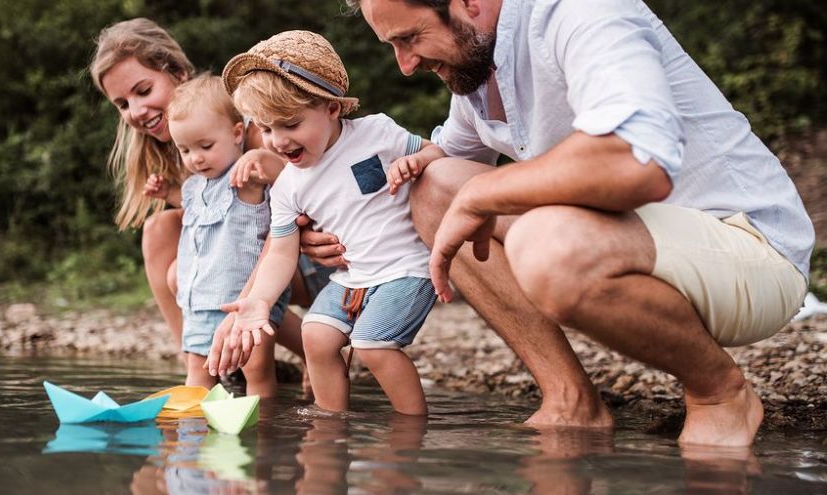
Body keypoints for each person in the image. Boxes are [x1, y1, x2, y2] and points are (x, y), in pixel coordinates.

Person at [341, 0, 814, 447]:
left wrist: (483, 194)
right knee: (434, 189)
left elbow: (635, 160)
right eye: (393, 47)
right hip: (642, 243)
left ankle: (719, 393)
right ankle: (572, 400)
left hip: (750, 253)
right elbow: (441, 169)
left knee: (546, 244)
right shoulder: (480, 70)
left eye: (411, 37)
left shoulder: (579, 11)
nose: (405, 64)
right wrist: (335, 232)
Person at [209, 30, 445, 415]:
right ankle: (330, 422)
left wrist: (417, 161)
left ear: (332, 108)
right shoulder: (287, 186)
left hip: (406, 267)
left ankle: (411, 427)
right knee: (315, 335)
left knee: (372, 345)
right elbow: (281, 255)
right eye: (266, 129)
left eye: (290, 124)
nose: (278, 141)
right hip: (352, 277)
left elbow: (437, 152)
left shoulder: (377, 133)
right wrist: (259, 301)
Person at [90, 18, 329, 378]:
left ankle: (258, 354)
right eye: (122, 104)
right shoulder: (184, 150)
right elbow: (214, 218)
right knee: (161, 231)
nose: (135, 111)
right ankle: (198, 356)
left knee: (210, 279)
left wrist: (245, 306)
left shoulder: (250, 132)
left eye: (143, 90)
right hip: (260, 261)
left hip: (311, 256)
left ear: (179, 73)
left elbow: (280, 222)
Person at [141, 75, 288, 392]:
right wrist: (168, 192)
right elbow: (196, 208)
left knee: (257, 371)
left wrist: (261, 157)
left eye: (205, 146)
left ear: (237, 134)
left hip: (242, 301)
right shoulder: (194, 186)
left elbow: (288, 179)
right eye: (185, 150)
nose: (195, 158)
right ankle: (192, 435)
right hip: (198, 301)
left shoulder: (245, 178)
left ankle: (265, 429)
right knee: (197, 374)